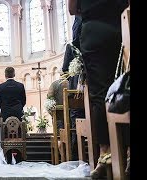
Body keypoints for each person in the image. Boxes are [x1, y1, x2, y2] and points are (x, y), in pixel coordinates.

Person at [68, 0, 129, 178]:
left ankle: (105, 153)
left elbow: (72, 9)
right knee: (126, 87)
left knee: (99, 95)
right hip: (121, 26)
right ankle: (128, 152)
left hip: (94, 30)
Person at [61, 15, 85, 161]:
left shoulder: (71, 47)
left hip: (77, 91)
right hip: (94, 88)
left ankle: (76, 156)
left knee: (76, 119)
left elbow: (65, 70)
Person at [47, 72, 69, 155]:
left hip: (58, 117)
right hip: (72, 117)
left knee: (59, 138)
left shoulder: (54, 84)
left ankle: (63, 157)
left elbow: (49, 101)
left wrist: (52, 115)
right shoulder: (72, 83)